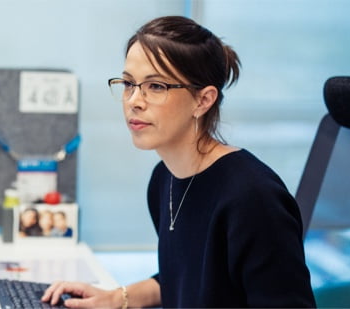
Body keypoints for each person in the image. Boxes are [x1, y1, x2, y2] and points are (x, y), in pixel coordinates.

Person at [42, 16, 316, 308]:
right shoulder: (164, 179)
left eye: (156, 86)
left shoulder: (252, 198)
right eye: (128, 83)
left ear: (203, 100)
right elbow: (182, 280)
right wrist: (116, 298)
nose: (134, 100)